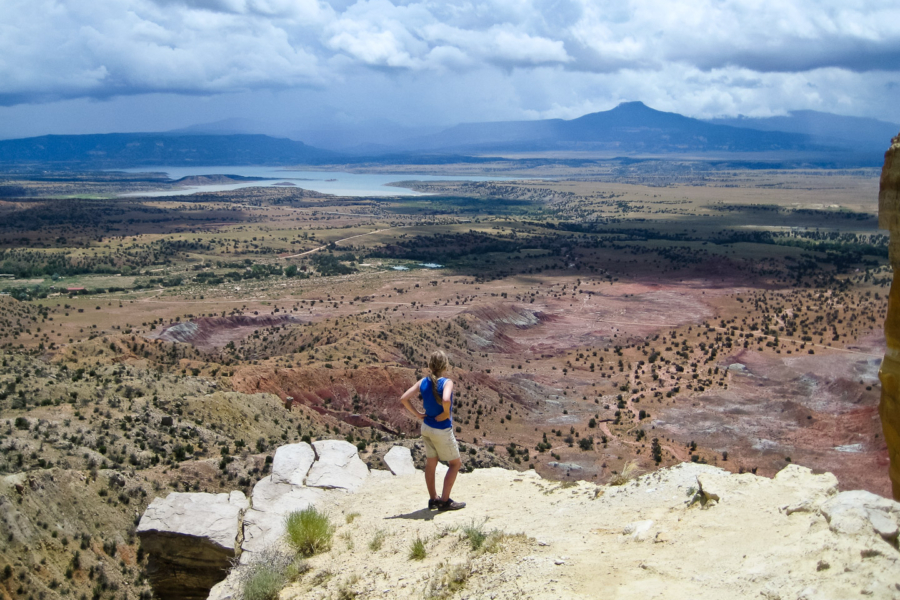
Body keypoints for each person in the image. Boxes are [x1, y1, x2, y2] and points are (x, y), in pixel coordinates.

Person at [399, 350, 466, 511]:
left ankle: (433, 499)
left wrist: (417, 414)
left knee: (431, 464)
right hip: (441, 429)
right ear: (445, 366)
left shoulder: (423, 381)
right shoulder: (447, 382)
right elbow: (446, 399)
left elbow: (404, 398)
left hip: (426, 427)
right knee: (455, 463)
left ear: (430, 365)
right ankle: (444, 501)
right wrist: (444, 413)